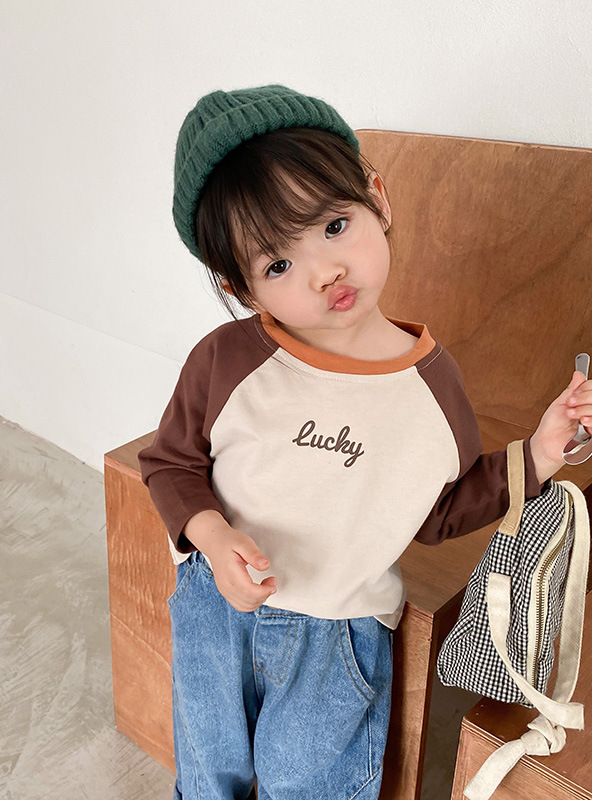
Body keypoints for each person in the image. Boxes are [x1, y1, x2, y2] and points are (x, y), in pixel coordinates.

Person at [137, 84, 592, 800]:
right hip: (214, 613)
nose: (325, 272)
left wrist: (539, 451)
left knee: (310, 787)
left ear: (377, 197)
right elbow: (170, 462)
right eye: (278, 265)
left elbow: (440, 510)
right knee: (207, 776)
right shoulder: (227, 361)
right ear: (241, 286)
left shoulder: (431, 388)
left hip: (336, 637)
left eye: (334, 225)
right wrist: (213, 537)